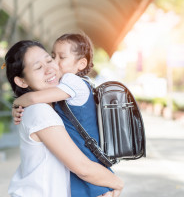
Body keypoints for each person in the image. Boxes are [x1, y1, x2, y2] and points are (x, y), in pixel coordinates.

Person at [5, 40, 123, 197]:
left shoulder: (56, 107)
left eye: (49, 60)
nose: (49, 69)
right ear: (21, 81)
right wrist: (116, 183)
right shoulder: (40, 111)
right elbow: (82, 167)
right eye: (39, 67)